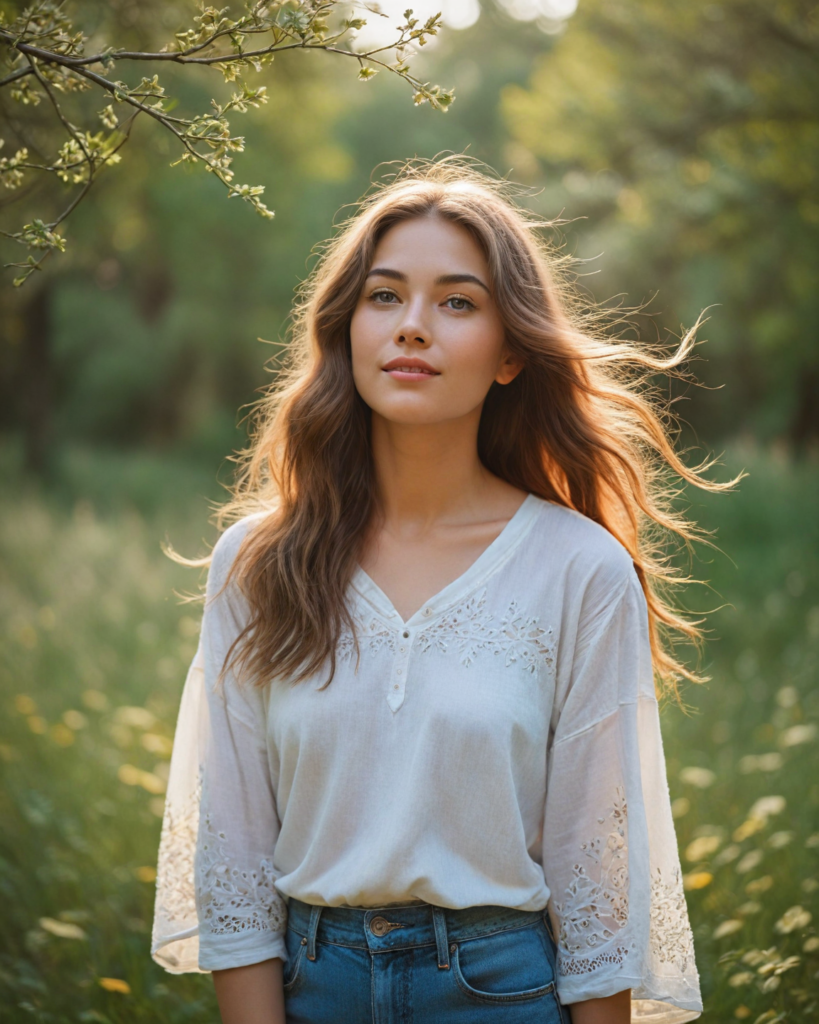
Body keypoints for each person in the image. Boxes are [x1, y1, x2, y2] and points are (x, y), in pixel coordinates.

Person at [151, 158, 723, 1024]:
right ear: (346, 329)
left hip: (501, 989)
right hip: (309, 989)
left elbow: (595, 870)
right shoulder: (257, 561)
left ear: (507, 354)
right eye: (384, 297)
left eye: (456, 302)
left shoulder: (578, 570)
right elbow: (231, 853)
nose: (412, 327)